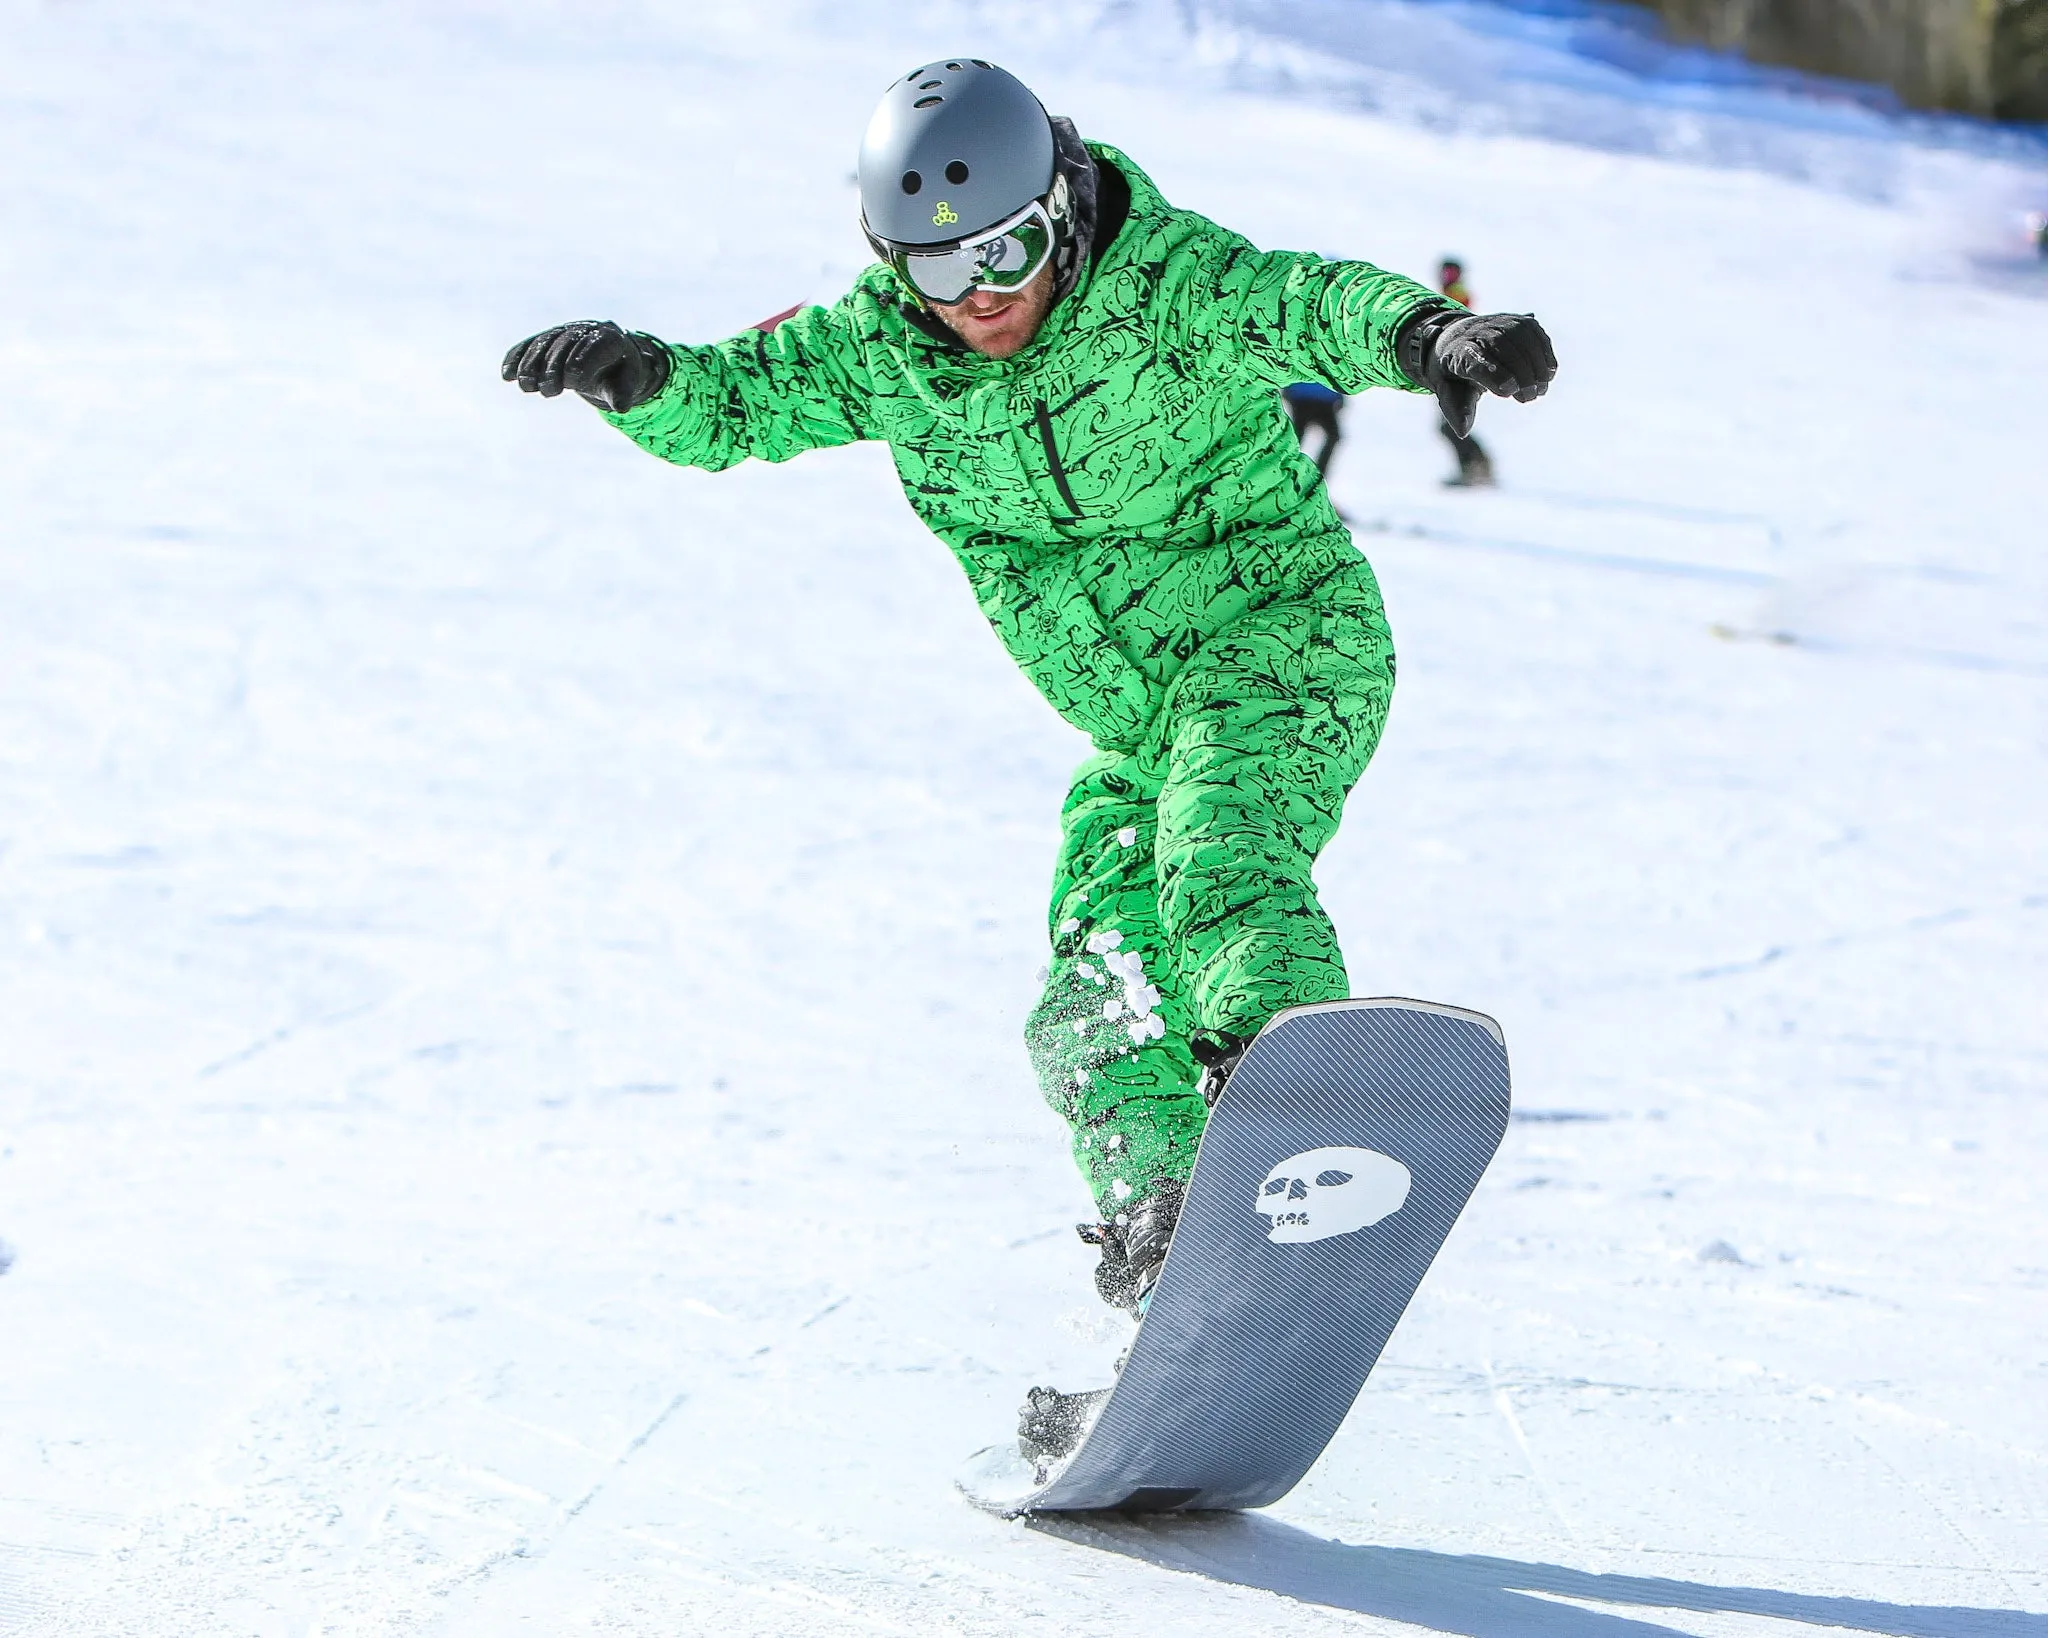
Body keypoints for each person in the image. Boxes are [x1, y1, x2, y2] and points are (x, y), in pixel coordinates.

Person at [504, 62, 1554, 1379]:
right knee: (1091, 1002)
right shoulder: (883, 352)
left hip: (1284, 639)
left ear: (1059, 205)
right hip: (1136, 729)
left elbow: (1308, 300)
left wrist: (1426, 336)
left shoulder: (1168, 287)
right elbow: (742, 401)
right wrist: (637, 378)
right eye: (938, 271)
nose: (981, 294)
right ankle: (1178, 1249)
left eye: (1004, 250)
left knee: (1220, 851)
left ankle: (1296, 1118)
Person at [1436, 258, 1496, 488]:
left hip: (1454, 365)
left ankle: (1475, 466)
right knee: (1450, 423)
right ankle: (1476, 465)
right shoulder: (1449, 292)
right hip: (1449, 365)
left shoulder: (1455, 294)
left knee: (1451, 423)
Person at [1281, 380, 1345, 479]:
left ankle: (1315, 476)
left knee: (1296, 438)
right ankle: (1289, 472)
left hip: (1316, 399)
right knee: (1296, 439)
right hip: (1305, 399)